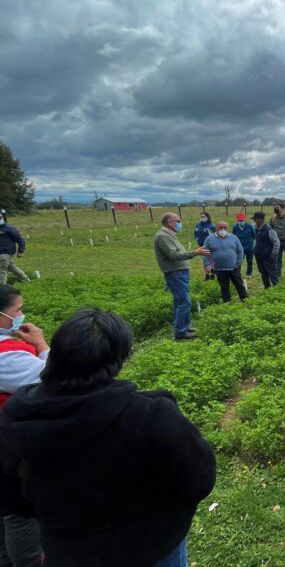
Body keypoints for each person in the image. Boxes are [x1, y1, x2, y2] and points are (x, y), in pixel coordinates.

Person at [0, 309, 217, 567]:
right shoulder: (148, 415)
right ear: (120, 359)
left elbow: (14, 499)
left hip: (67, 553)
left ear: (57, 355)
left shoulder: (19, 416)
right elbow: (199, 478)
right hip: (149, 547)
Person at [0, 286, 45, 567]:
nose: (21, 315)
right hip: (10, 441)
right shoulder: (5, 355)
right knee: (21, 508)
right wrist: (42, 346)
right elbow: (49, 379)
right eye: (17, 311)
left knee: (5, 506)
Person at [153, 213, 209, 341]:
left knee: (180, 301)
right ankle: (180, 332)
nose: (180, 223)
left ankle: (184, 326)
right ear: (170, 222)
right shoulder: (162, 237)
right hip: (175, 272)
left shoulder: (170, 235)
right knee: (184, 301)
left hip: (180, 271)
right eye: (178, 221)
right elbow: (174, 255)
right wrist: (195, 252)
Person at [203, 221, 248, 303]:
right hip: (219, 268)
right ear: (216, 228)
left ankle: (245, 300)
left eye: (225, 227)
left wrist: (238, 263)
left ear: (227, 228)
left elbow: (240, 251)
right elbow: (205, 253)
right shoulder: (209, 239)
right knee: (224, 287)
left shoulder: (234, 238)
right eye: (220, 227)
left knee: (239, 284)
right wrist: (207, 264)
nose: (222, 229)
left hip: (234, 267)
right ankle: (227, 302)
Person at [252, 212, 280, 289]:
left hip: (268, 256)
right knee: (263, 273)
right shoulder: (256, 229)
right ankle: (267, 288)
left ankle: (276, 289)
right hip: (259, 256)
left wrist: (273, 254)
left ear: (260, 220)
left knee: (273, 273)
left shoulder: (269, 230)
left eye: (255, 219)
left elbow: (276, 243)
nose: (254, 221)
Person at [0, 216, 30, 286]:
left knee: (1, 269)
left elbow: (20, 240)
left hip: (5, 253)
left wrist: (20, 251)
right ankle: (26, 280)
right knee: (12, 267)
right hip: (2, 254)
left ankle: (2, 288)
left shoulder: (9, 229)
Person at [232, 212, 255, 279]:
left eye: (242, 220)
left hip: (249, 248)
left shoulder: (250, 227)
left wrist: (249, 243)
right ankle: (238, 273)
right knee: (239, 261)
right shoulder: (235, 227)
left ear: (244, 220)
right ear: (237, 220)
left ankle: (249, 273)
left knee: (250, 261)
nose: (241, 222)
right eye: (239, 220)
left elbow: (253, 236)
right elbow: (234, 237)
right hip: (240, 248)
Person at [194, 212, 216, 280]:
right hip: (201, 246)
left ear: (207, 217)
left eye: (203, 217)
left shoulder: (211, 226)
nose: (202, 218)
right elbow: (195, 233)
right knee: (204, 261)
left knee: (211, 260)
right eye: (201, 217)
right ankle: (207, 275)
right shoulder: (198, 225)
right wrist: (197, 240)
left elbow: (214, 236)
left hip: (210, 246)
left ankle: (212, 274)